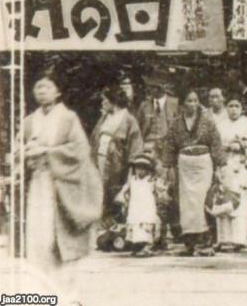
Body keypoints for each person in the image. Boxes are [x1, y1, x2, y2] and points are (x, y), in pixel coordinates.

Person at [20, 74, 103, 300]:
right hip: (38, 185)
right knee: (38, 241)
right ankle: (40, 295)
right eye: (38, 86)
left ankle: (68, 295)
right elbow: (20, 152)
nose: (42, 90)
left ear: (58, 91)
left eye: (47, 86)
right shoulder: (28, 121)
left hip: (63, 186)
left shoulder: (68, 118)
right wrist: (25, 155)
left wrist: (47, 152)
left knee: (61, 241)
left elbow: (79, 150)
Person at [166, 88, 225, 256]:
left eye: (195, 101)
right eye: (189, 101)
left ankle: (206, 243)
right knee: (186, 205)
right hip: (184, 167)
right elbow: (170, 146)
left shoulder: (208, 121)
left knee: (202, 202)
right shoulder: (176, 123)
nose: (192, 104)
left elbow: (216, 144)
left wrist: (219, 167)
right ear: (183, 103)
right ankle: (190, 244)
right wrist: (169, 168)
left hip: (203, 165)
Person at [91, 85, 144, 242]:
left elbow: (135, 146)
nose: (102, 104)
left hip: (118, 166)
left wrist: (133, 167)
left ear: (113, 101)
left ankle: (116, 234)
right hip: (100, 160)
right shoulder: (104, 118)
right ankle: (102, 233)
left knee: (115, 197)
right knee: (100, 194)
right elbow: (94, 138)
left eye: (105, 100)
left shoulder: (129, 120)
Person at [215, 93, 247, 252]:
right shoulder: (220, 125)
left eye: (237, 106)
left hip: (241, 166)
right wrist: (225, 148)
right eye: (230, 106)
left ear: (242, 108)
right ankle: (224, 239)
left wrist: (242, 147)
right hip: (225, 165)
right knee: (224, 199)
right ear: (226, 107)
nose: (233, 110)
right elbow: (215, 146)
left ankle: (239, 239)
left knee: (241, 201)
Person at [118, 152, 161, 257]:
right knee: (135, 226)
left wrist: (160, 193)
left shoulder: (151, 181)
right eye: (138, 168)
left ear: (148, 170)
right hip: (135, 208)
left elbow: (160, 191)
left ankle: (147, 247)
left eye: (143, 169)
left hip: (147, 208)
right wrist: (123, 198)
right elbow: (125, 191)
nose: (140, 171)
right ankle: (137, 246)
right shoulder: (132, 180)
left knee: (146, 227)